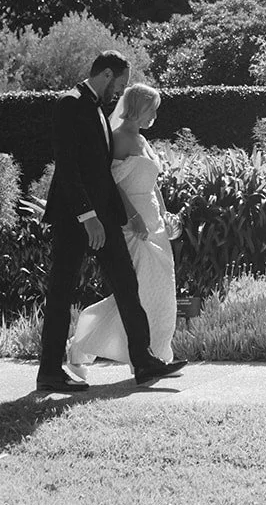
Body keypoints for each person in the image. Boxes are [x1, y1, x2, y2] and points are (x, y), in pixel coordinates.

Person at [37, 52, 183, 392]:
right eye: (119, 84)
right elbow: (69, 167)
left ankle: (145, 363)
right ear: (105, 74)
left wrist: (118, 217)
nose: (120, 93)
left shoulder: (100, 112)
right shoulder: (69, 104)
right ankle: (49, 372)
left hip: (106, 218)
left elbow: (102, 174)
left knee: (128, 287)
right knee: (61, 292)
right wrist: (88, 217)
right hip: (76, 220)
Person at [65, 83, 183, 374]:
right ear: (139, 107)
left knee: (161, 292)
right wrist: (132, 217)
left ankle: (155, 355)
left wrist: (166, 217)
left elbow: (153, 185)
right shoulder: (119, 139)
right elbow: (112, 183)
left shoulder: (143, 141)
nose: (155, 114)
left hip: (155, 224)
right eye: (152, 108)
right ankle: (81, 347)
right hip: (134, 225)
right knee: (137, 294)